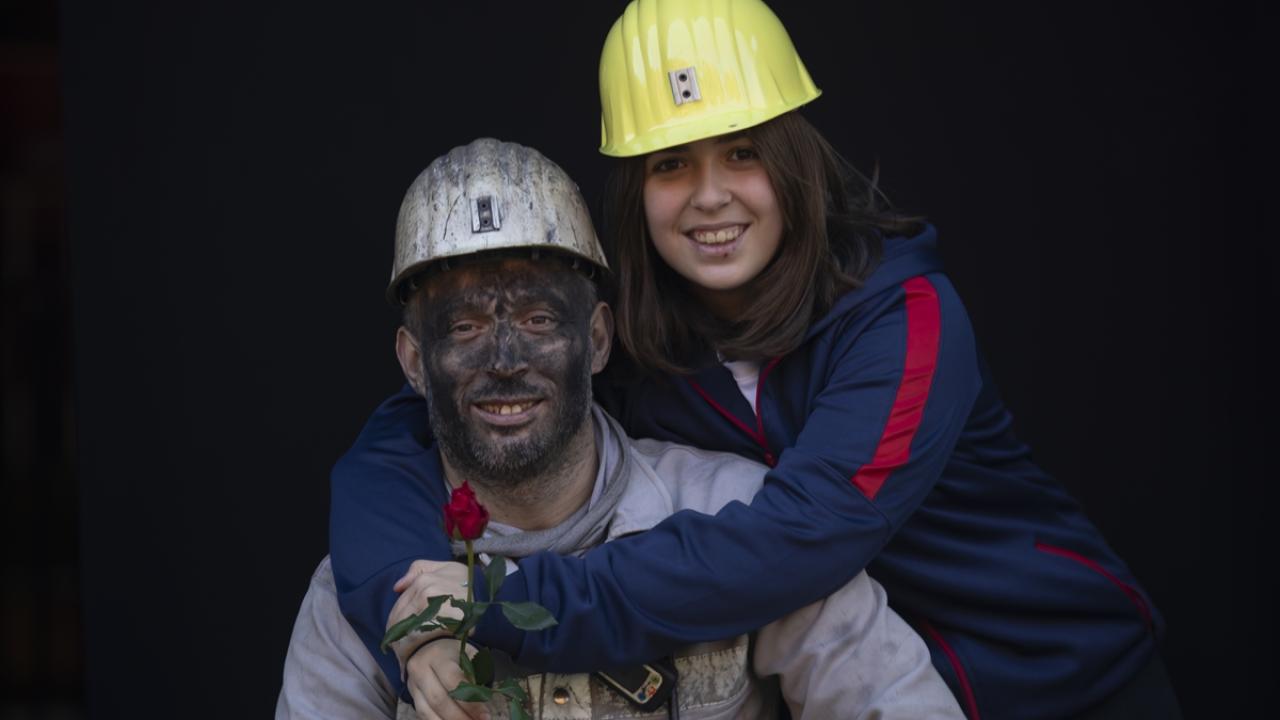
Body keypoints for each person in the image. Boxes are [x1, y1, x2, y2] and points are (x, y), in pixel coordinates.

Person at [330, 1, 1182, 718]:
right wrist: (413, 621)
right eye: (671, 164)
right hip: (852, 678)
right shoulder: (627, 335)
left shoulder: (908, 319)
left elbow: (801, 541)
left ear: (794, 158)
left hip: (1064, 680)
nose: (710, 194)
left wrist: (509, 605)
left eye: (742, 151)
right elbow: (402, 440)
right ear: (636, 189)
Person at [278, 137, 964, 720]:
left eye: (542, 321)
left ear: (599, 339)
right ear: (414, 362)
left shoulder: (733, 513)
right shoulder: (364, 589)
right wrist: (422, 636)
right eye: (464, 329)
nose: (506, 363)